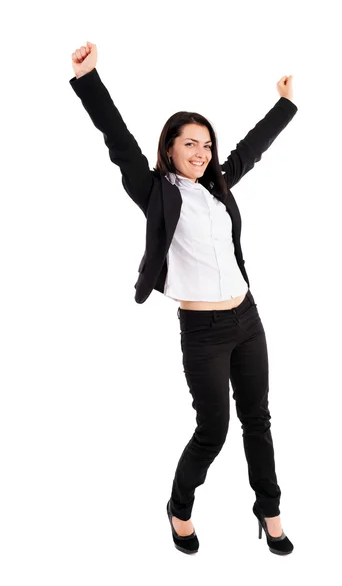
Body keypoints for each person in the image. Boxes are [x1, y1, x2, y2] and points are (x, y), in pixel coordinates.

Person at [70, 41, 298, 555]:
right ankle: (178, 507)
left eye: (207, 146)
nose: (201, 154)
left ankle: (270, 509)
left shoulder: (219, 187)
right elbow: (118, 140)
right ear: (170, 147)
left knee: (258, 419)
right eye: (190, 144)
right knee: (213, 430)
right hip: (203, 333)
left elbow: (251, 149)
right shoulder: (155, 192)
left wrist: (284, 103)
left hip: (248, 319)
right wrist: (89, 79)